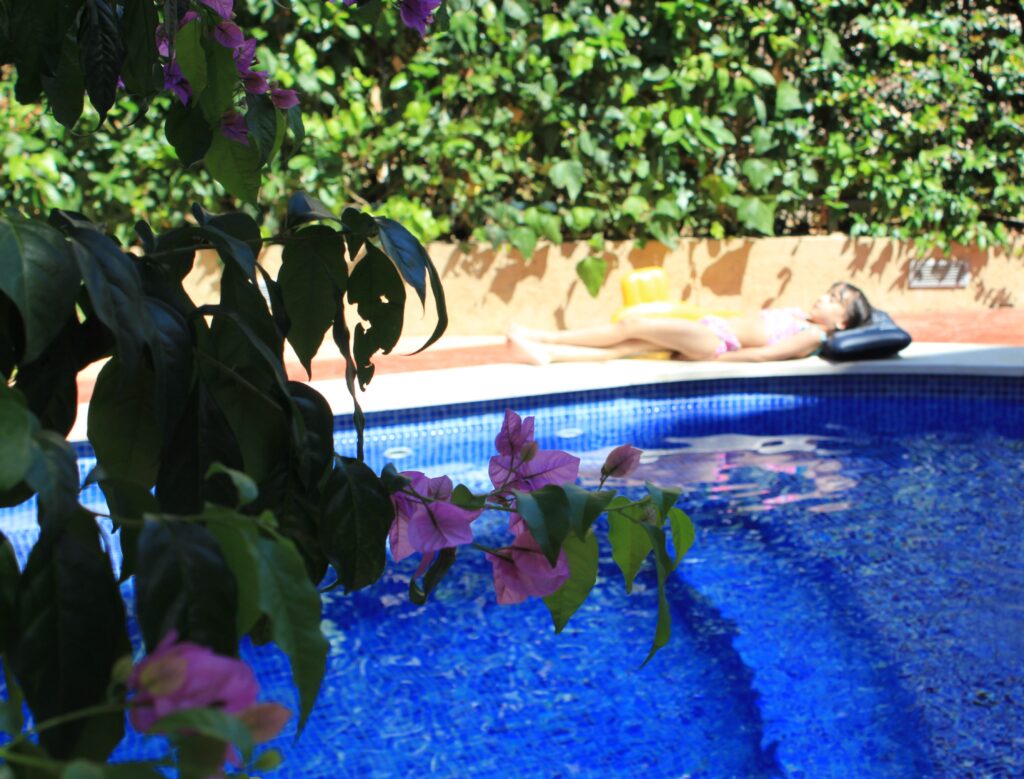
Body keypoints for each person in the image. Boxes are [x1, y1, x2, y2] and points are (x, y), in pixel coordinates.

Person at [507, 281, 873, 364]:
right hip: (712, 332)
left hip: (716, 344)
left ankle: (540, 336)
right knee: (629, 347)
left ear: (841, 324)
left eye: (835, 300)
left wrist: (718, 361)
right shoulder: (801, 315)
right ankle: (547, 354)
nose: (824, 298)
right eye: (829, 292)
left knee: (631, 325)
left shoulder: (811, 334)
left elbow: (765, 356)